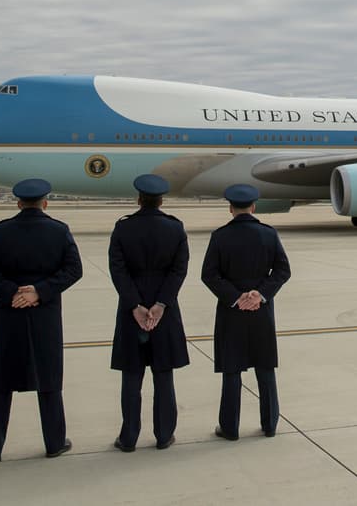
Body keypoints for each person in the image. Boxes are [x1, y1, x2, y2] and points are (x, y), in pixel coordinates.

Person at [0, 178, 82, 463]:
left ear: (18, 203)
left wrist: (11, 292)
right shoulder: (59, 231)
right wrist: (39, 292)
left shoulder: (1, 231)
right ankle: (55, 442)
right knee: (49, 380)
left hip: (10, 314)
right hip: (44, 315)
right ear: (45, 202)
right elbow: (73, 270)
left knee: (2, 383)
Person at [201, 183, 291, 441]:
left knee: (232, 370)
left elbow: (209, 275)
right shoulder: (268, 234)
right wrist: (260, 294)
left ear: (230, 208)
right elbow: (283, 271)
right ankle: (270, 424)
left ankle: (229, 428)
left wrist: (235, 296)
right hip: (261, 311)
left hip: (232, 313)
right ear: (253, 206)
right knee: (265, 368)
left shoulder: (220, 236)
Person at [109, 174, 190, 452]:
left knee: (132, 376)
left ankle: (128, 437)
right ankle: (164, 434)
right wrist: (161, 304)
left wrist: (134, 305)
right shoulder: (175, 228)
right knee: (163, 375)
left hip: (131, 312)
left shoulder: (123, 229)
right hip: (163, 312)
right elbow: (179, 270)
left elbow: (117, 271)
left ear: (139, 199)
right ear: (161, 200)